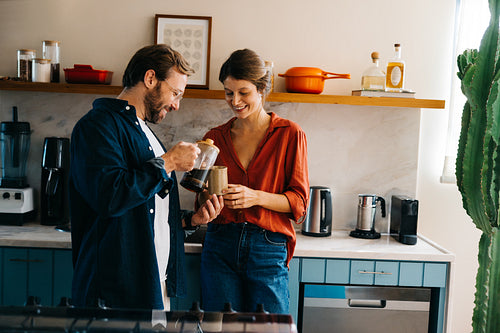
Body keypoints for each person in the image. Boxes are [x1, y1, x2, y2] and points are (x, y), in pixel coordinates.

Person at [69, 44, 223, 310]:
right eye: (175, 93)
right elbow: (110, 196)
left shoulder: (146, 133)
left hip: (151, 283)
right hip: (113, 293)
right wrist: (169, 162)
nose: (176, 105)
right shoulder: (97, 126)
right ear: (150, 79)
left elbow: (147, 210)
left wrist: (190, 220)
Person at [199, 49, 309, 314]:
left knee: (271, 329)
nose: (234, 100)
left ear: (261, 89)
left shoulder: (289, 134)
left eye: (243, 92)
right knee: (220, 328)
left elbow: (299, 204)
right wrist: (207, 198)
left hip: (267, 247)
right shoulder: (215, 137)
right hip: (220, 244)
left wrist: (255, 196)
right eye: (228, 92)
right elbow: (201, 199)